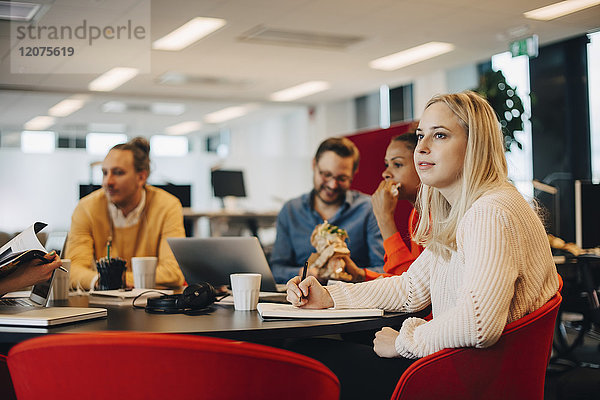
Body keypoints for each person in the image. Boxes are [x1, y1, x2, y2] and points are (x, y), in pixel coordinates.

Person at [286, 91, 560, 399]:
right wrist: (329, 296)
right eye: (420, 136)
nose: (422, 148)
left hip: (466, 378)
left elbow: (479, 324)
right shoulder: (469, 209)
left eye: (440, 135)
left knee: (305, 357)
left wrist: (404, 342)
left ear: (475, 146)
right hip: (463, 368)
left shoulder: (489, 213)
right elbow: (411, 288)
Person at [64, 137, 185, 290]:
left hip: (149, 306)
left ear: (141, 177)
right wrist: (102, 281)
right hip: (103, 306)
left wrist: (110, 280)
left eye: (118, 173)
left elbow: (173, 273)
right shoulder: (86, 208)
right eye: (105, 173)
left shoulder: (167, 206)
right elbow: (73, 271)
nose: (108, 182)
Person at [269, 137, 385, 283]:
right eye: (326, 175)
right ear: (314, 165)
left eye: (342, 178)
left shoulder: (368, 209)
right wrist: (305, 273)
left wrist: (355, 273)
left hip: (352, 298)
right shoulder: (291, 210)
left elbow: (383, 269)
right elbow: (277, 269)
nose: (332, 185)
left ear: (354, 173)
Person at [343, 133, 423, 282]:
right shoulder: (416, 215)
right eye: (387, 165)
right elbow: (409, 279)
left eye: (397, 164)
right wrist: (360, 275)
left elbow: (413, 288)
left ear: (423, 164)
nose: (385, 173)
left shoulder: (435, 217)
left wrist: (384, 219)